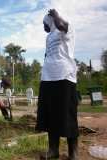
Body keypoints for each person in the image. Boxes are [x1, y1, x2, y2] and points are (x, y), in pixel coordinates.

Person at [35, 9, 79, 160]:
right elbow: (48, 55)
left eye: (44, 24)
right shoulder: (48, 37)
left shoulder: (66, 27)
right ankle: (53, 150)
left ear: (51, 20)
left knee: (68, 115)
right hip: (48, 78)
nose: (43, 27)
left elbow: (61, 25)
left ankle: (73, 153)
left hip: (65, 76)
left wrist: (55, 15)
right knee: (50, 115)